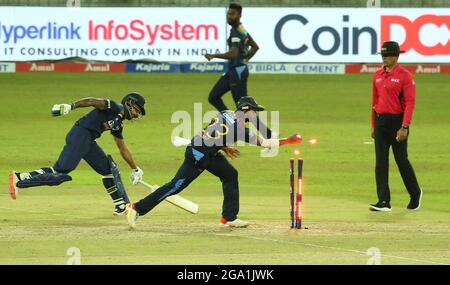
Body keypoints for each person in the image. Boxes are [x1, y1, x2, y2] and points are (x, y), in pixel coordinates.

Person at [125, 96, 301, 229]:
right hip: (198, 155)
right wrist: (289, 140)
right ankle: (137, 208)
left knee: (230, 174)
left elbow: (212, 131)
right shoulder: (241, 130)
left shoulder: (224, 113)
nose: (255, 115)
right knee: (174, 186)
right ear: (245, 110)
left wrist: (224, 147)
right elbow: (265, 143)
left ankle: (229, 218)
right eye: (254, 111)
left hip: (206, 150)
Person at [9, 92, 147, 216]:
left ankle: (121, 206)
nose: (137, 114)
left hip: (89, 140)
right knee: (59, 171)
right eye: (137, 110)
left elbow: (122, 148)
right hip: (80, 134)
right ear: (129, 103)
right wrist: (71, 106)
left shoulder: (119, 124)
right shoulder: (113, 106)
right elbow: (92, 101)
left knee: (108, 170)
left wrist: (135, 168)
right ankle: (20, 178)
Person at [204, 3, 273, 139]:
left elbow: (233, 54)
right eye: (228, 13)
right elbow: (255, 47)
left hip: (238, 73)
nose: (229, 16)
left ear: (239, 15)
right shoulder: (240, 29)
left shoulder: (236, 32)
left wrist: (214, 55)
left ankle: (268, 135)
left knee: (244, 107)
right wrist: (245, 59)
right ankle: (232, 122)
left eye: (233, 14)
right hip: (233, 71)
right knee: (213, 97)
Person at [370, 41, 422, 212]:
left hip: (397, 122)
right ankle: (384, 201)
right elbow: (374, 101)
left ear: (396, 56)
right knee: (381, 162)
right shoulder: (377, 75)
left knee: (401, 160)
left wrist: (405, 126)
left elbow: (410, 103)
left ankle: (415, 193)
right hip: (380, 122)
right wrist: (373, 125)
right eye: (382, 55)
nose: (384, 58)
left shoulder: (405, 76)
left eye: (387, 55)